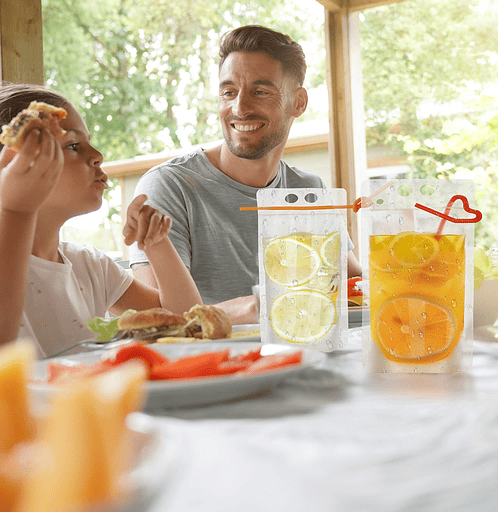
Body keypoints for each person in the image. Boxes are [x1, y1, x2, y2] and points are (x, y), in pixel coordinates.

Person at [0, 82, 202, 372]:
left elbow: (186, 322)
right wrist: (16, 210)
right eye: (73, 145)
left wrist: (157, 243)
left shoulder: (89, 265)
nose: (98, 154)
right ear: (10, 165)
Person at [130, 24, 362, 323]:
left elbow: (354, 283)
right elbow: (157, 314)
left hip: (301, 353)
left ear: (298, 102)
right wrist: (259, 305)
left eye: (260, 91)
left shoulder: (307, 188)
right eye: (229, 92)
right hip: (210, 361)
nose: (239, 107)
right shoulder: (170, 185)